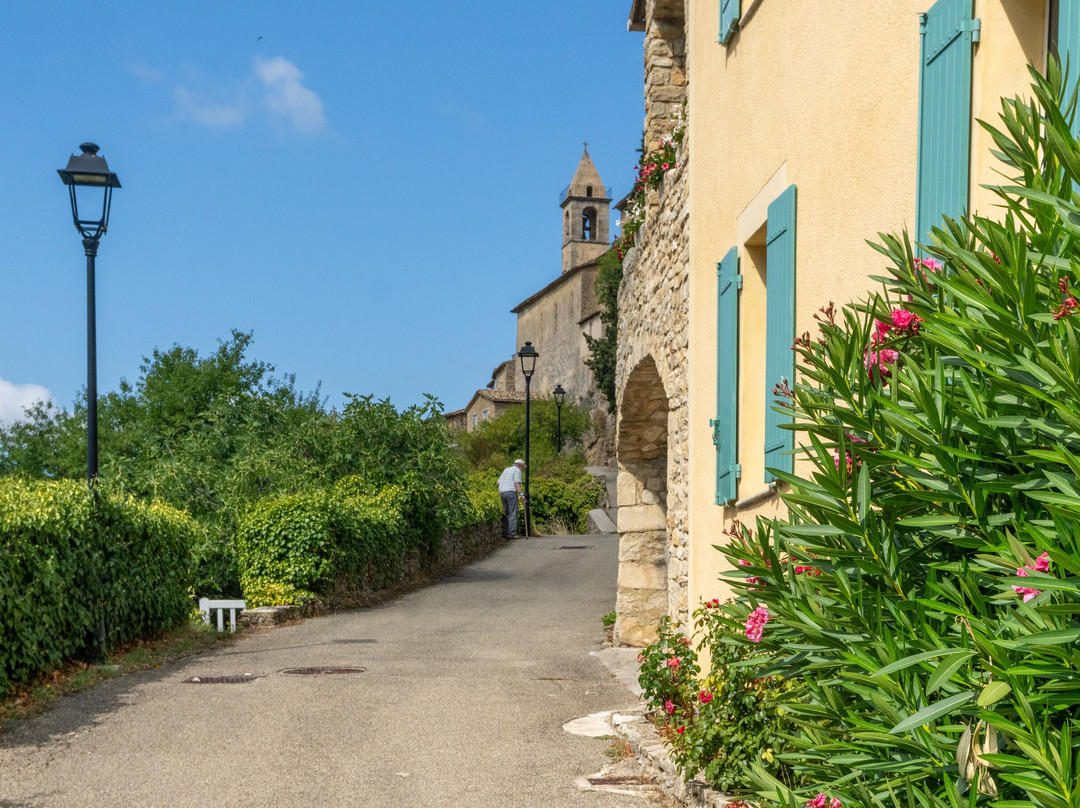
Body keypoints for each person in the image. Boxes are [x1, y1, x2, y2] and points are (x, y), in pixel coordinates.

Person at [497, 459, 525, 538]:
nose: (522, 469)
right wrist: (521, 494)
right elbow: (516, 483)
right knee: (513, 513)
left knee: (507, 513)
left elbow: (498, 482)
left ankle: (507, 532)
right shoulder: (517, 470)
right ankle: (511, 533)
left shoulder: (506, 469)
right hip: (511, 493)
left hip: (502, 493)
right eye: (522, 467)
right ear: (520, 466)